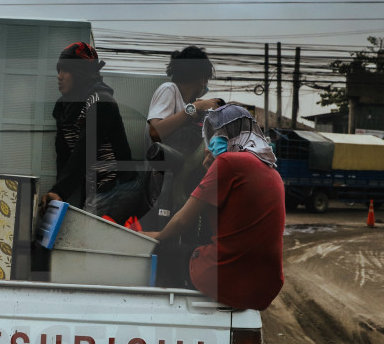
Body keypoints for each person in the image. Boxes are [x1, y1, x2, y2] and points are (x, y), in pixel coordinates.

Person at [146, 105, 285, 310]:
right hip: (264, 286)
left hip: (224, 277)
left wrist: (155, 236)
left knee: (164, 250)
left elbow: (184, 220)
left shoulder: (229, 163)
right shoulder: (271, 170)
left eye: (217, 136)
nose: (211, 143)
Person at [42, 42, 143, 224]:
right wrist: (58, 193)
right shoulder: (63, 107)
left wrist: (60, 190)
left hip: (118, 186)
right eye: (59, 71)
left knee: (80, 231)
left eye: (65, 70)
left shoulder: (101, 101)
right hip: (96, 189)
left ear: (80, 73)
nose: (59, 77)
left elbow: (85, 151)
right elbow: (63, 155)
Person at [146, 46, 224, 207]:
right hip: (167, 171)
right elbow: (155, 131)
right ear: (202, 78)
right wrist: (196, 108)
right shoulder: (169, 89)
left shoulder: (188, 102)